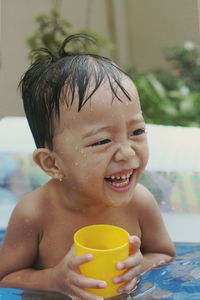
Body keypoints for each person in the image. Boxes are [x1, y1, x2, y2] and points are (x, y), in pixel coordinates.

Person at [0, 34, 176, 300]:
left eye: (136, 131)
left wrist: (142, 264)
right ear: (52, 163)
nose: (127, 153)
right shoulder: (35, 213)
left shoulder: (140, 202)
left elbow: (166, 254)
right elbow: (4, 277)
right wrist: (54, 279)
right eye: (102, 140)